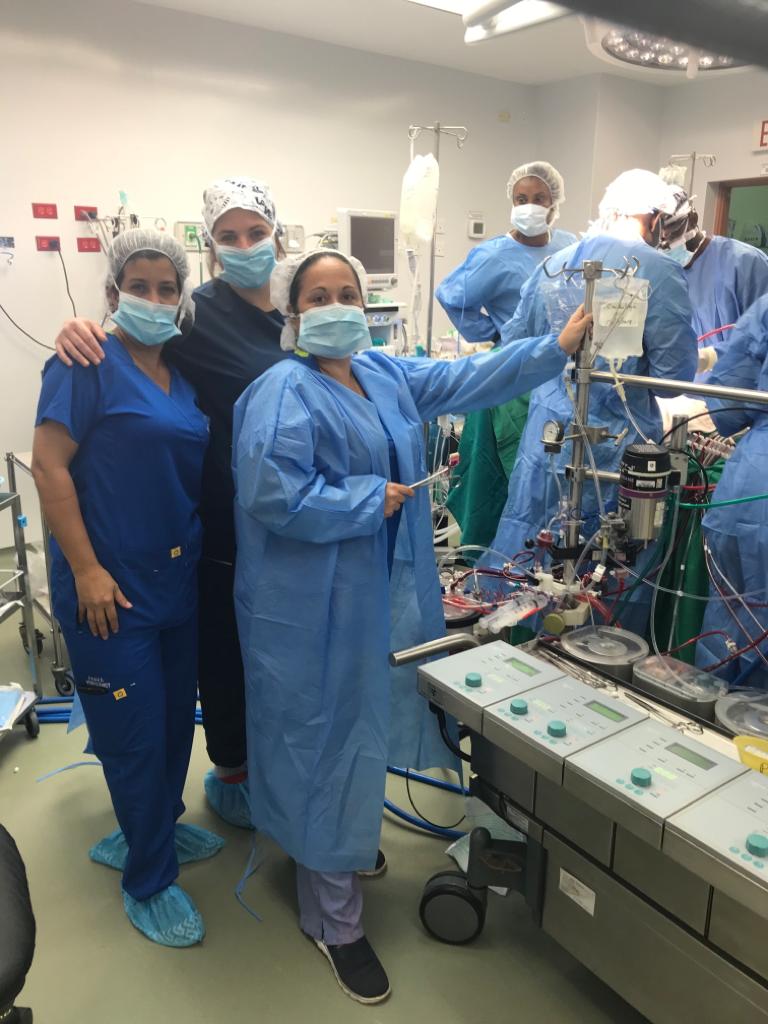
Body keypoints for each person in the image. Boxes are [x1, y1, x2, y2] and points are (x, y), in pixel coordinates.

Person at [232, 249, 591, 1003]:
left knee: (358, 730)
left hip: (373, 594)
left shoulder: (382, 373)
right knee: (321, 740)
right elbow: (273, 494)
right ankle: (332, 921)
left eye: (348, 293)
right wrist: (370, 499)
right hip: (308, 608)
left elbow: (465, 379)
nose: (337, 306)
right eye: (318, 296)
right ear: (293, 314)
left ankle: (336, 846)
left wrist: (553, 349)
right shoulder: (280, 391)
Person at [53, 178, 290, 829]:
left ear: (278, 236)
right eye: (228, 236)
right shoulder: (197, 315)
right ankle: (229, 779)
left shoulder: (298, 309)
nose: (245, 245)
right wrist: (81, 327)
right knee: (221, 661)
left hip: (284, 523)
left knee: (275, 661)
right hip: (214, 522)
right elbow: (129, 348)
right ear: (211, 248)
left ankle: (271, 775)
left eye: (256, 232)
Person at [32, 230, 221, 947]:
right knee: (133, 735)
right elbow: (49, 467)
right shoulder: (83, 364)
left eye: (167, 288)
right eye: (138, 287)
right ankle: (148, 876)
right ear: (113, 294)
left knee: (173, 720)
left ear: (181, 299)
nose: (153, 299)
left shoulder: (183, 379)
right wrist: (85, 569)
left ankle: (155, 826)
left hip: (175, 579)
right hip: (106, 586)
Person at [490, 169, 698, 635]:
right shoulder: (658, 270)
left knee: (534, 548)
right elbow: (672, 381)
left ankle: (520, 648)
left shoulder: (556, 264)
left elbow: (518, 348)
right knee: (609, 571)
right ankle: (596, 660)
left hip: (548, 436)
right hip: (617, 442)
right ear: (655, 219)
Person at [436, 162, 578, 548]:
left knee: (555, 475)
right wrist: (494, 333)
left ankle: (546, 552)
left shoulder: (570, 246)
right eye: (521, 198)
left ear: (554, 202)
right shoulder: (494, 255)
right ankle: (496, 555)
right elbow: (451, 295)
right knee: (511, 473)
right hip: (515, 376)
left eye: (539, 198)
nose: (529, 205)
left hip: (563, 373)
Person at [695, 294, 768, 687]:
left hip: (750, 486)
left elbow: (727, 410)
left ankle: (708, 716)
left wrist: (713, 360)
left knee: (728, 627)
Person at [658, 180, 768, 380]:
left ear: (692, 219)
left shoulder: (746, 263)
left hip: (737, 391)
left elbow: (762, 336)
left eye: (672, 230)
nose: (664, 241)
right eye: (658, 235)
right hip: (682, 391)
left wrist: (710, 358)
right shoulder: (663, 273)